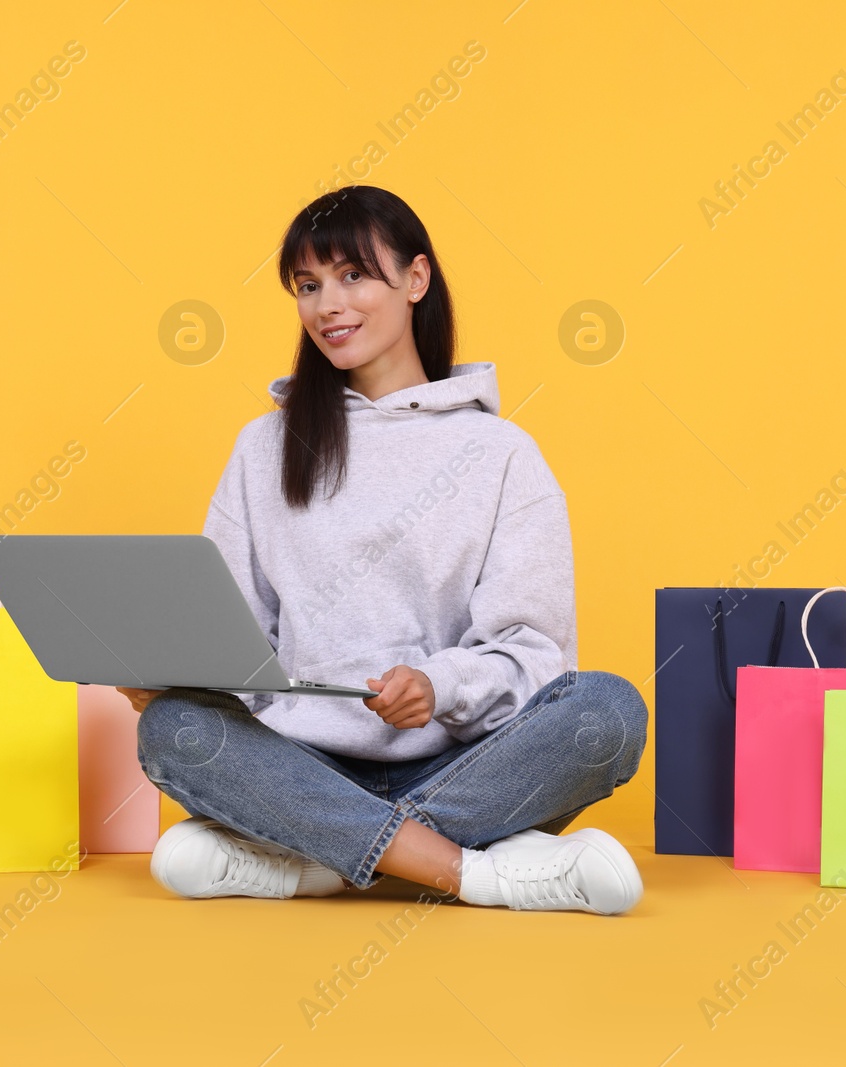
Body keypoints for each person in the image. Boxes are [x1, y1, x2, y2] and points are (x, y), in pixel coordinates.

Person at [120, 185, 648, 914]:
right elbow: (238, 644)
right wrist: (176, 682)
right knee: (173, 729)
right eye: (307, 286)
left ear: (416, 279)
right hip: (300, 762)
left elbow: (535, 658)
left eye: (353, 275)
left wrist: (439, 685)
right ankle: (473, 871)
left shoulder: (500, 453)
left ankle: (316, 855)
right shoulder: (263, 449)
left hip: (463, 761)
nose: (327, 305)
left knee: (607, 711)